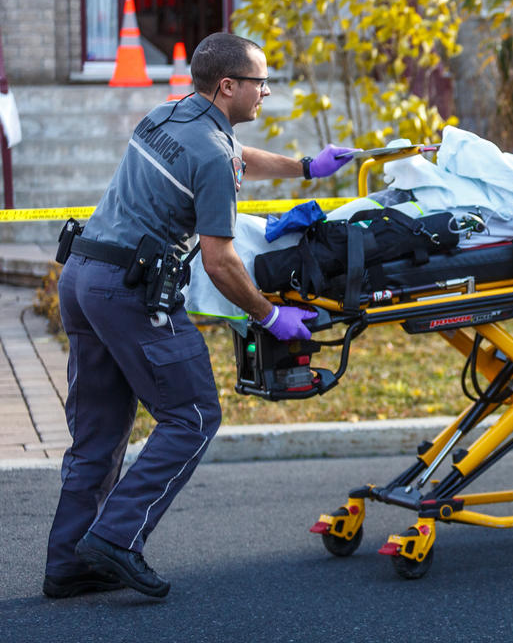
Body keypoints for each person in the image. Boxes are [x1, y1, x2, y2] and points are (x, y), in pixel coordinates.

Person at [43, 33, 358, 600]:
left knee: (98, 431)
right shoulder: (213, 155)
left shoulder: (169, 114)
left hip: (82, 277)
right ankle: (115, 539)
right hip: (128, 292)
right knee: (191, 416)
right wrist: (270, 317)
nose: (267, 91)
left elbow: (236, 157)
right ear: (229, 86)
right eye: (261, 82)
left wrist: (306, 167)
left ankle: (68, 563)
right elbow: (220, 261)